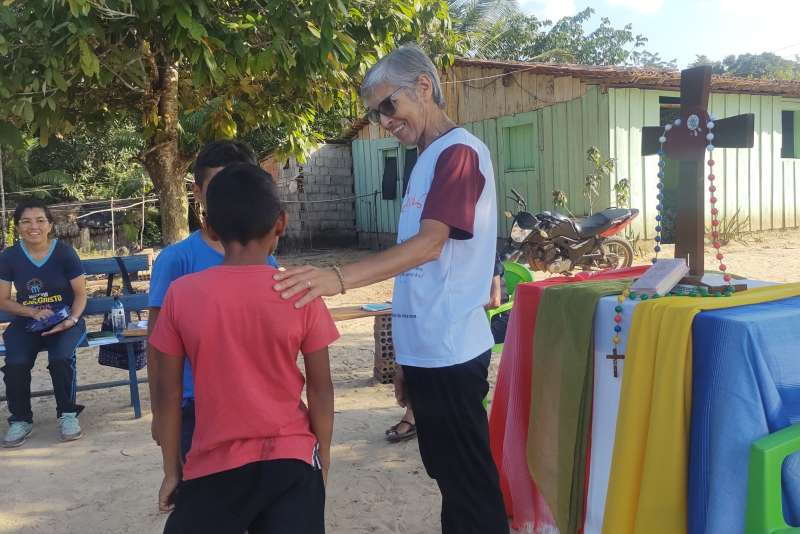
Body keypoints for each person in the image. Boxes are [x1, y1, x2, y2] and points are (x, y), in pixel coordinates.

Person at [274, 44, 509, 533]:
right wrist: (405, 357)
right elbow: (417, 278)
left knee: (470, 483)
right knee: (448, 475)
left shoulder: (458, 153)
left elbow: (429, 246)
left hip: (451, 349)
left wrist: (337, 279)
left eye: (388, 106)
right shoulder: (424, 160)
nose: (383, 121)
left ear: (424, 87)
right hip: (426, 352)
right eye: (375, 113)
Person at [150, 163, 339, 533]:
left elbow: (167, 392)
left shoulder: (182, 295)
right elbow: (321, 388)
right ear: (280, 224)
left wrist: (172, 470)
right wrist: (323, 458)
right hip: (292, 462)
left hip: (212, 467)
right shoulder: (300, 291)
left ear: (210, 227)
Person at [147, 140, 279, 459]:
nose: (230, 197)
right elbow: (156, 346)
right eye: (219, 186)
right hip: (195, 407)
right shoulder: (176, 261)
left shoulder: (267, 259)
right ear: (197, 191)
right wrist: (160, 411)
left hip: (257, 405)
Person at [385, 254, 508, 444]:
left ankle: (415, 414)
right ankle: (415, 411)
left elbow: (494, 299)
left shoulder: (484, 257)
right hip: (446, 330)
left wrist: (444, 308)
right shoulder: (432, 262)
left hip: (482, 327)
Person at [0, 199, 87, 447]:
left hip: (66, 321)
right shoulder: (10, 256)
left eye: (40, 220)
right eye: (26, 221)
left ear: (50, 225)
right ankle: (20, 420)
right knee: (16, 362)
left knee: (60, 358)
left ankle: (68, 414)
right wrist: (30, 312)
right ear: (17, 227)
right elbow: (3, 300)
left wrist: (71, 320)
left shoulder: (64, 253)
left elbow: (81, 294)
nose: (33, 226)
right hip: (29, 322)